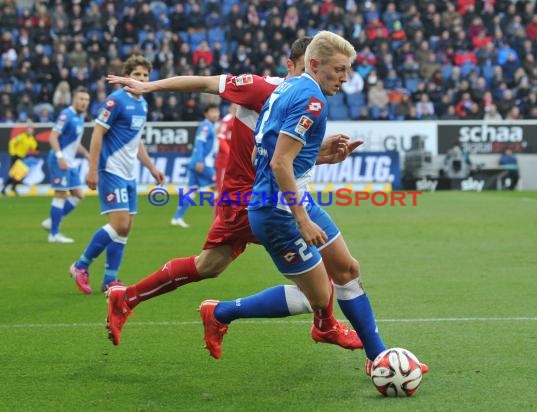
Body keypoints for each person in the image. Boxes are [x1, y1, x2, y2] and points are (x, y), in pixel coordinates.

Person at [105, 37, 363, 352]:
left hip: (261, 195)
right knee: (321, 277)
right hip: (250, 198)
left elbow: (281, 158)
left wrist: (323, 155)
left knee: (210, 265)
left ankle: (129, 297)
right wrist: (150, 87)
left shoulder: (302, 100)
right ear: (296, 65)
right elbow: (204, 82)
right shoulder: (263, 88)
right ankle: (324, 324)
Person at [201, 31, 428, 374]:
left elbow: (260, 153)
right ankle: (220, 313)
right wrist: (302, 219)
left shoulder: (286, 89)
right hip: (279, 213)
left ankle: (377, 357)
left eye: (347, 70)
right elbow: (278, 163)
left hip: (291, 201)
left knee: (347, 271)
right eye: (338, 69)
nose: (345, 78)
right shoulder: (312, 101)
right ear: (315, 64)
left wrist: (320, 155)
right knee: (317, 298)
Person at [69, 56, 165, 294]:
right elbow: (98, 134)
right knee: (119, 223)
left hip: (129, 173)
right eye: (137, 75)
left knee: (126, 226)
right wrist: (92, 169)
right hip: (111, 170)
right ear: (127, 77)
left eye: (145, 75)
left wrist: (151, 167)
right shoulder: (116, 101)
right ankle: (80, 265)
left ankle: (110, 279)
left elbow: (136, 141)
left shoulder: (143, 104)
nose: (141, 79)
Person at [40, 87, 91, 243]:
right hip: (59, 160)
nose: (84, 102)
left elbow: (74, 143)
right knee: (61, 195)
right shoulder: (66, 115)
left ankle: (52, 221)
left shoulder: (80, 117)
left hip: (70, 162)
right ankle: (54, 234)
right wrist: (60, 157)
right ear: (74, 99)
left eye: (86, 100)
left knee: (78, 195)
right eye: (81, 99)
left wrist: (87, 154)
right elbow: (53, 137)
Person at [171, 103, 220, 228]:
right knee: (219, 187)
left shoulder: (210, 126)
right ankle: (220, 220)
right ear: (206, 114)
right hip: (203, 164)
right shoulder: (206, 126)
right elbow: (199, 143)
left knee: (191, 190)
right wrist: (200, 161)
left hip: (196, 162)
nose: (215, 114)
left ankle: (177, 218)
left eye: (216, 111)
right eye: (212, 112)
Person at [1, 123, 38, 196]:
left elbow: (35, 147)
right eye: (30, 130)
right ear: (27, 130)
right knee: (16, 174)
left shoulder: (31, 139)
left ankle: (11, 188)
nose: (31, 131)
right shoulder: (21, 136)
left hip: (21, 158)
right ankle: (7, 188)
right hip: (16, 157)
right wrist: (13, 153)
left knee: (20, 174)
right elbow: (12, 142)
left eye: (32, 130)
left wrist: (36, 147)